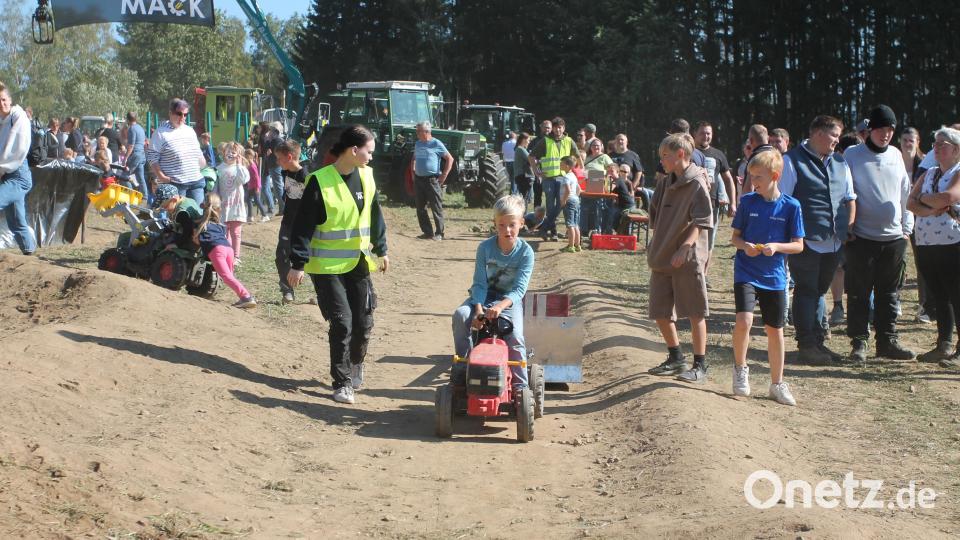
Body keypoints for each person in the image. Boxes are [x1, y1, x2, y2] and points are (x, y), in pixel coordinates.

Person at [288, 125, 389, 405]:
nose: (371, 157)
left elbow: (375, 214)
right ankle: (342, 382)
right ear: (353, 150)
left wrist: (382, 248)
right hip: (326, 266)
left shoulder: (367, 177)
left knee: (364, 320)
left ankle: (356, 363)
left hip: (358, 261)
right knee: (342, 322)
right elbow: (303, 225)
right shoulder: (319, 181)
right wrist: (297, 263)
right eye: (369, 151)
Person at [780, 115, 856, 364]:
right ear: (818, 133)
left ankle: (818, 344)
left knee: (820, 291)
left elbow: (848, 197)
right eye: (834, 135)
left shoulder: (840, 163)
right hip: (806, 240)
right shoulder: (791, 161)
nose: (837, 141)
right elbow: (783, 201)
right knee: (806, 290)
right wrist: (791, 237)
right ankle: (806, 344)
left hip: (833, 239)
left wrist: (848, 229)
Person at [730, 149, 804, 406]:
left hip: (774, 277)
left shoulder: (792, 206)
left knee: (775, 330)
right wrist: (745, 246)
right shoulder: (748, 202)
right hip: (746, 271)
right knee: (744, 321)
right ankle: (740, 369)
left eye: (758, 177)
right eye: (751, 176)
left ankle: (777, 383)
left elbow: (798, 245)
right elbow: (734, 238)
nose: (753, 182)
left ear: (775, 176)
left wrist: (777, 246)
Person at [843, 105, 915, 363]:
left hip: (894, 239)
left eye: (890, 129)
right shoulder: (852, 154)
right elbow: (845, 193)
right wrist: (847, 227)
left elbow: (906, 194)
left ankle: (887, 341)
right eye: (881, 129)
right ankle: (859, 343)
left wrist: (907, 228)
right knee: (859, 293)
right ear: (870, 129)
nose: (886, 134)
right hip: (861, 238)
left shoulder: (896, 155)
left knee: (889, 293)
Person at [646, 133, 713, 383]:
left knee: (695, 312)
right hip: (662, 256)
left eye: (665, 156)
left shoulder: (697, 182)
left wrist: (685, 246)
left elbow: (703, 220)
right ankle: (676, 358)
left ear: (680, 155)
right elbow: (654, 215)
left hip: (687, 258)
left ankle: (700, 365)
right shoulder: (664, 183)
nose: (661, 160)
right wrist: (657, 243)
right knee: (660, 310)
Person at [452, 194, 534, 391]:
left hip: (508, 301)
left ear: (521, 223)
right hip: (484, 297)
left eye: (512, 225)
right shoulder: (485, 248)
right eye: (502, 225)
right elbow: (479, 284)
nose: (507, 230)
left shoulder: (526, 252)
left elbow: (519, 290)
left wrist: (499, 307)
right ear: (494, 224)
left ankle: (520, 387)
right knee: (461, 315)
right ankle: (464, 367)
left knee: (515, 336)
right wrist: (479, 311)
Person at [907, 126, 960, 369]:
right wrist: (932, 206)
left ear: (956, 150)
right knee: (939, 295)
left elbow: (949, 197)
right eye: (935, 144)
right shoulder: (927, 173)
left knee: (957, 295)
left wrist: (926, 201)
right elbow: (910, 202)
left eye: (942, 145)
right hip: (927, 242)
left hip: (953, 243)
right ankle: (944, 344)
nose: (936, 148)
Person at [192, 192, 256, 308]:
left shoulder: (201, 224)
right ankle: (244, 297)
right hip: (228, 249)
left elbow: (196, 241)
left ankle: (246, 297)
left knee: (227, 277)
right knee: (230, 276)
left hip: (217, 250)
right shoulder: (220, 225)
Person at [900, 126, 934, 323]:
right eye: (904, 140)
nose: (907, 144)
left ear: (918, 142)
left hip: (921, 217)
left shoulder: (925, 164)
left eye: (911, 140)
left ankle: (925, 306)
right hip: (898, 217)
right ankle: (894, 303)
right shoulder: (894, 161)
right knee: (897, 262)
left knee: (922, 263)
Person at [528, 117, 580, 242]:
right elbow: (531, 156)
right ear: (553, 128)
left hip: (564, 178)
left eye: (560, 127)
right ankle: (553, 232)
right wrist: (536, 171)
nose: (558, 129)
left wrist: (578, 172)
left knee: (561, 205)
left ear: (564, 128)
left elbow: (577, 157)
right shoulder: (545, 141)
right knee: (551, 206)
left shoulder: (569, 141)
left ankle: (545, 229)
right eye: (556, 127)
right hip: (549, 178)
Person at [0, 81, 37, 256]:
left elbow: (17, 150)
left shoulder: (18, 116)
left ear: (10, 100)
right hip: (6, 174)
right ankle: (29, 253)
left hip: (18, 176)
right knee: (16, 221)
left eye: (4, 99)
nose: (2, 104)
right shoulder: (2, 121)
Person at [147, 98, 207, 205]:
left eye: (185, 114)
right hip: (177, 184)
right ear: (170, 113)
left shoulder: (190, 130)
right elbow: (152, 157)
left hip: (196, 181)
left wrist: (204, 166)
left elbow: (198, 152)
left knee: (199, 217)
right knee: (179, 218)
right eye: (179, 114)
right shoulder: (160, 133)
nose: (182, 117)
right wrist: (161, 177)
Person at [694, 121, 737, 255]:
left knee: (709, 242)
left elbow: (728, 179)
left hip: (712, 204)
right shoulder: (688, 152)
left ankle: (704, 275)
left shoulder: (718, 154)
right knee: (691, 241)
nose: (705, 136)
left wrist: (733, 203)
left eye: (708, 133)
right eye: (702, 133)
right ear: (694, 134)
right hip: (691, 203)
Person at [410, 121, 453, 240]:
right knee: (420, 208)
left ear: (427, 132)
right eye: (417, 131)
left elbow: (450, 159)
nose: (417, 133)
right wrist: (413, 173)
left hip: (432, 180)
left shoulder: (436, 143)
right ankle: (427, 232)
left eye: (419, 131)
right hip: (419, 180)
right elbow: (413, 158)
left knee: (436, 207)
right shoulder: (418, 144)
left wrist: (444, 175)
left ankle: (439, 233)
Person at [275, 140, 306, 304]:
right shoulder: (285, 172)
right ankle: (287, 290)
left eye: (279, 158)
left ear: (289, 156)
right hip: (287, 223)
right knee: (282, 256)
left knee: (310, 259)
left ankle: (323, 292)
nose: (277, 162)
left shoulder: (306, 176)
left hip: (302, 226)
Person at [216, 141, 250, 261]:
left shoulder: (240, 168)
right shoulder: (219, 168)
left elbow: (244, 180)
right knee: (225, 232)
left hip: (236, 205)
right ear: (224, 152)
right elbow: (216, 187)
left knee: (236, 232)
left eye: (234, 152)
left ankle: (236, 256)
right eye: (228, 151)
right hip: (223, 205)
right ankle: (227, 254)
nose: (231, 154)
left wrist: (239, 165)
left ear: (239, 155)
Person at [607, 133, 646, 206]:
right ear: (615, 142)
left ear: (627, 142)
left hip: (627, 187)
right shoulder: (609, 155)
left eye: (622, 140)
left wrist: (633, 186)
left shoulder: (632, 155)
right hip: (611, 186)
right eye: (618, 140)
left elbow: (639, 172)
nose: (620, 141)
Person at [558, 156, 582, 253]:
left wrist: (564, 200)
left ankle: (571, 246)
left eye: (562, 163)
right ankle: (577, 245)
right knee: (575, 224)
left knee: (570, 224)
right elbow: (579, 189)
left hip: (569, 201)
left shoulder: (566, 177)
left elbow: (567, 190)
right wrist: (575, 197)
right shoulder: (573, 176)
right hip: (575, 200)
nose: (560, 165)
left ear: (567, 166)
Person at [608, 163, 639, 235]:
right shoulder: (616, 180)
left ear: (617, 172)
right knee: (610, 213)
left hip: (628, 206)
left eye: (612, 171)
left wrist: (607, 180)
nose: (610, 173)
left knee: (611, 216)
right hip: (620, 205)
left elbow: (609, 189)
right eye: (608, 171)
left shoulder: (618, 180)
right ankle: (612, 233)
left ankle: (613, 234)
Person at [124, 111, 148, 201]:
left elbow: (131, 145)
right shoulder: (140, 128)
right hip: (142, 154)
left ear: (127, 119)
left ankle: (130, 195)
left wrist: (125, 158)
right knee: (140, 176)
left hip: (136, 154)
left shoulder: (132, 129)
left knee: (124, 175)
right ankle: (145, 196)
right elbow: (145, 142)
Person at [530, 119, 552, 207]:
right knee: (537, 194)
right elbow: (529, 154)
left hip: (551, 171)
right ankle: (536, 214)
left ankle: (550, 214)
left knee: (550, 195)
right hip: (538, 170)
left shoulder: (554, 141)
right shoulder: (535, 141)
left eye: (549, 128)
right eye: (545, 127)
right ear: (541, 128)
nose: (547, 130)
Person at [243, 148, 269, 222]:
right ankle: (250, 216)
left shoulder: (252, 165)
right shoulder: (249, 164)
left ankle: (265, 215)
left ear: (249, 156)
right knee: (248, 199)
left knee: (257, 201)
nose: (244, 157)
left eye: (245, 155)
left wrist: (257, 187)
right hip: (250, 186)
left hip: (254, 186)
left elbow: (257, 177)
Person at [514, 132, 534, 205]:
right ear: (523, 140)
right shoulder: (521, 149)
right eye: (528, 140)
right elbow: (530, 159)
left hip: (520, 176)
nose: (529, 142)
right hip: (523, 176)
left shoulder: (519, 149)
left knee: (523, 197)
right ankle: (523, 214)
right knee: (524, 198)